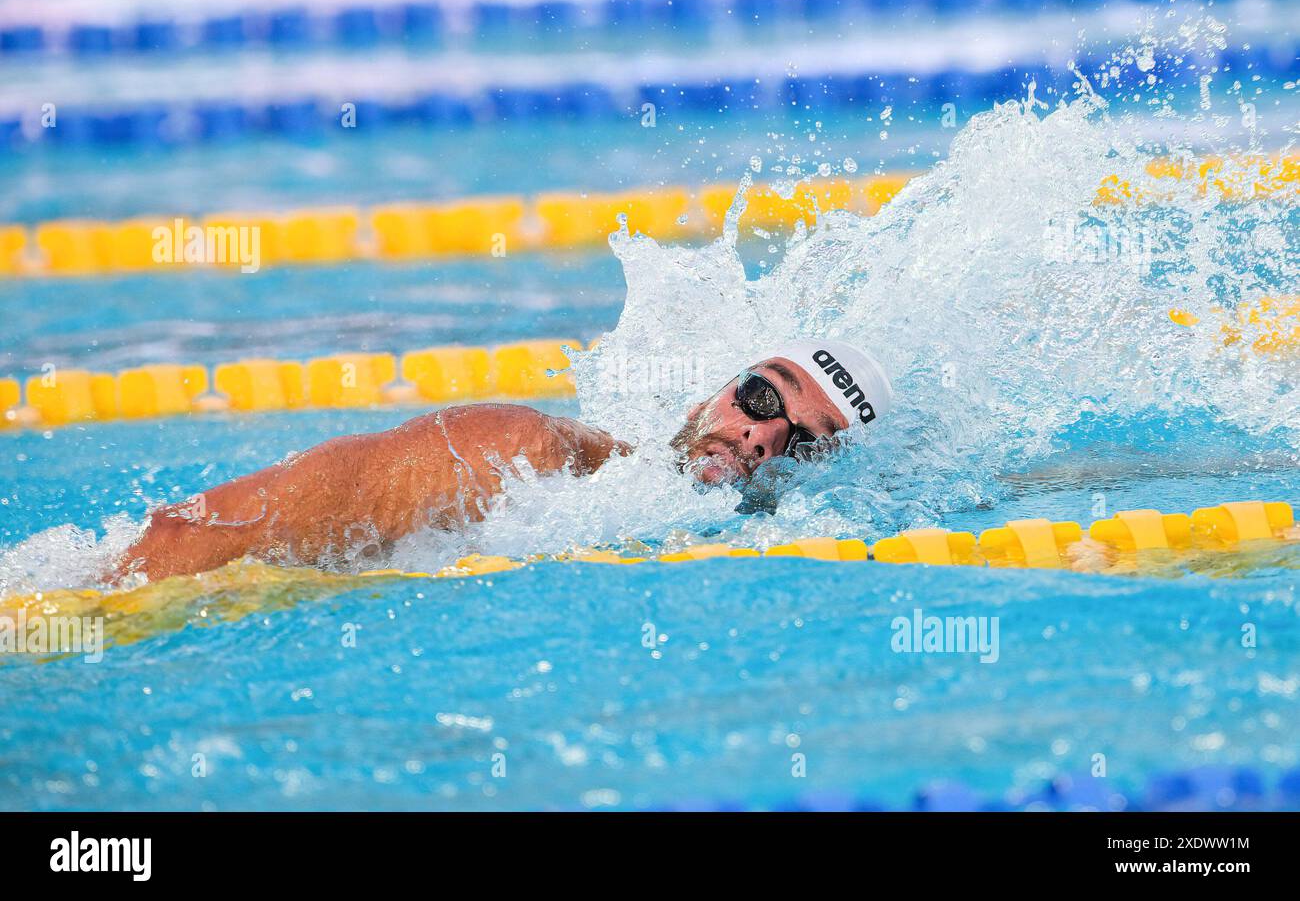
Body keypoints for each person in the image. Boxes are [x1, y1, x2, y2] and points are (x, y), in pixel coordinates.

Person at [111, 339, 891, 583]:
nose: (764, 438)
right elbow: (188, 540)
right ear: (707, 399)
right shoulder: (523, 452)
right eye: (762, 399)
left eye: (805, 440)